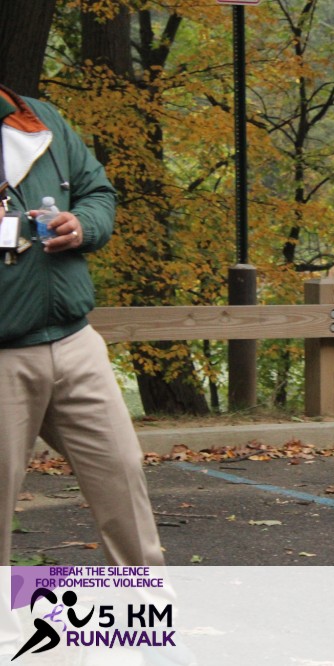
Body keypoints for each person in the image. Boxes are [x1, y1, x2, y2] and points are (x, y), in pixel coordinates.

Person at [0, 84, 165, 660]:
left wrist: (83, 225)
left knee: (122, 476)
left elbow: (98, 192)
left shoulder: (37, 118)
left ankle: (144, 629)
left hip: (74, 341)